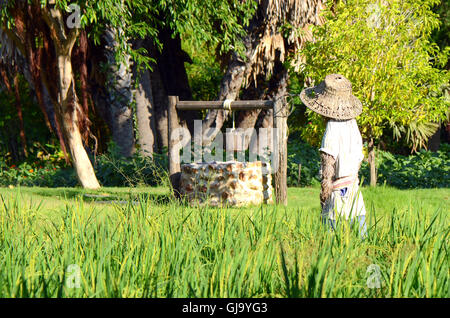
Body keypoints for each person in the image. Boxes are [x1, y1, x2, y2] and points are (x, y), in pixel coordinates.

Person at [300, 74, 367, 238]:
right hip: (353, 184)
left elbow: (328, 166)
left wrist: (324, 193)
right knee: (360, 232)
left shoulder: (332, 128)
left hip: (338, 189)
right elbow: (359, 157)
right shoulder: (353, 124)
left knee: (330, 236)